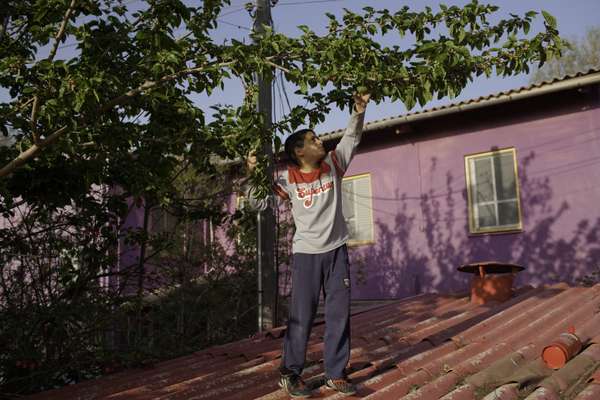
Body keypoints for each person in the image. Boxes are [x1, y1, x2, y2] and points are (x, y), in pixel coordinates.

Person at [245, 93, 369, 398]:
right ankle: (291, 373)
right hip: (306, 255)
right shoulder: (287, 179)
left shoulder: (334, 164)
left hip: (336, 250)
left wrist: (358, 111)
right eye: (313, 139)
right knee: (302, 315)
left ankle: (335, 374)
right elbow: (257, 203)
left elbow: (351, 137)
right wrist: (251, 173)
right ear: (299, 150)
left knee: (339, 314)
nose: (320, 141)